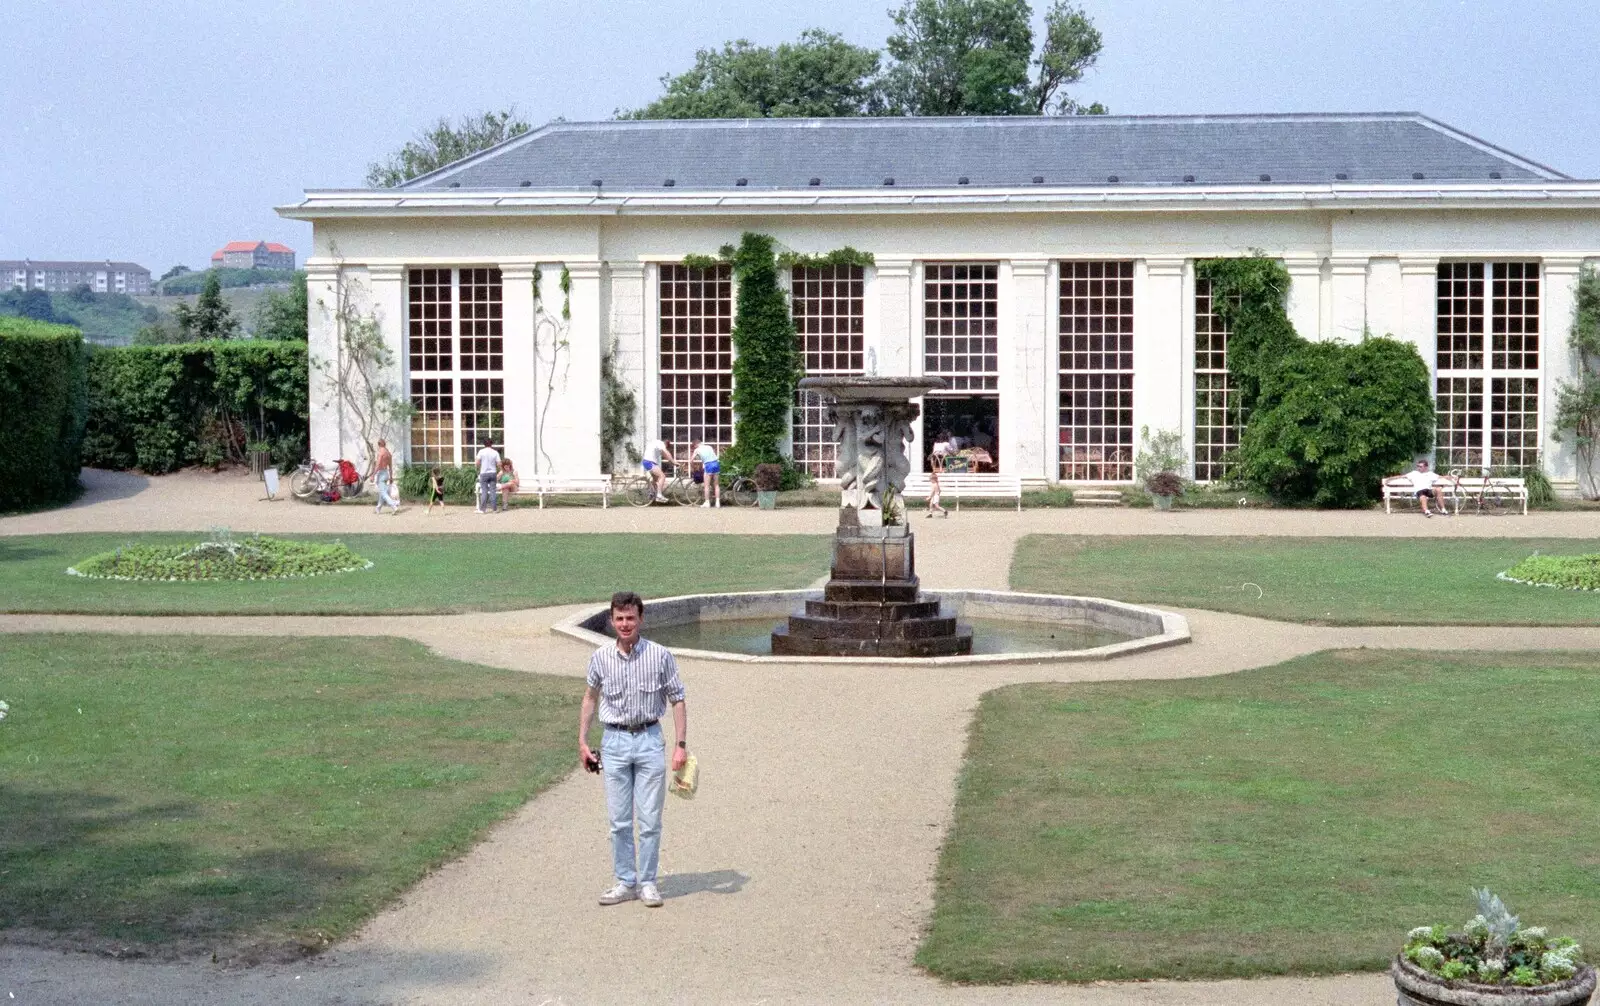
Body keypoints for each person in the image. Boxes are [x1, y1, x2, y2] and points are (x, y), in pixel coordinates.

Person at [578, 591, 689, 909]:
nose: (625, 624)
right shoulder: (600, 657)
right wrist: (583, 742)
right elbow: (590, 698)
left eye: (630, 618)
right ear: (612, 621)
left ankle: (648, 882)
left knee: (650, 819)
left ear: (640, 619)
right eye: (619, 618)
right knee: (619, 820)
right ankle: (626, 881)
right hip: (613, 742)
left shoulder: (660, 655)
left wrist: (681, 746)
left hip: (649, 739)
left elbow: (677, 699)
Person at [641, 438, 674, 504]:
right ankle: (659, 496)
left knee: (655, 479)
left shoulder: (656, 443)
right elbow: (666, 452)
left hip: (647, 461)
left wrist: (671, 462)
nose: (666, 448)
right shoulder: (661, 444)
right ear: (666, 443)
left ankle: (651, 493)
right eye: (667, 446)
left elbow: (664, 455)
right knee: (662, 476)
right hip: (650, 462)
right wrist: (673, 461)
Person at [926, 431, 951, 518]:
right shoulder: (946, 444)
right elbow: (951, 451)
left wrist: (929, 496)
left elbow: (933, 452)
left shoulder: (936, 444)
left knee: (935, 504)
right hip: (942, 460)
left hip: (936, 459)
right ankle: (930, 513)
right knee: (949, 457)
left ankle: (942, 511)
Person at [473, 436, 501, 514]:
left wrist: (478, 467)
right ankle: (494, 509)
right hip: (493, 472)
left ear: (484, 444)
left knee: (484, 491)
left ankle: (482, 509)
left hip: (484, 472)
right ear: (491, 444)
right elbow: (499, 464)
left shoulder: (481, 452)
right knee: (493, 491)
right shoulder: (495, 452)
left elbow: (477, 463)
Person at [373, 439, 400, 515]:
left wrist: (373, 475)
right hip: (386, 474)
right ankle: (378, 508)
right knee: (382, 492)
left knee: (383, 493)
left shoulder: (381, 452)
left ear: (379, 444)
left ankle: (394, 505)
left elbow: (378, 465)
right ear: (384, 444)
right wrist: (391, 477)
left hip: (381, 473)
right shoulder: (388, 453)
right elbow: (390, 467)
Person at [690, 439, 721, 508]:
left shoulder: (697, 450)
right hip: (716, 463)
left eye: (694, 446)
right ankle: (717, 503)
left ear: (695, 445)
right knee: (716, 485)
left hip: (708, 465)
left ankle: (707, 502)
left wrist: (693, 468)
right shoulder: (709, 447)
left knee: (706, 485)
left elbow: (691, 461)